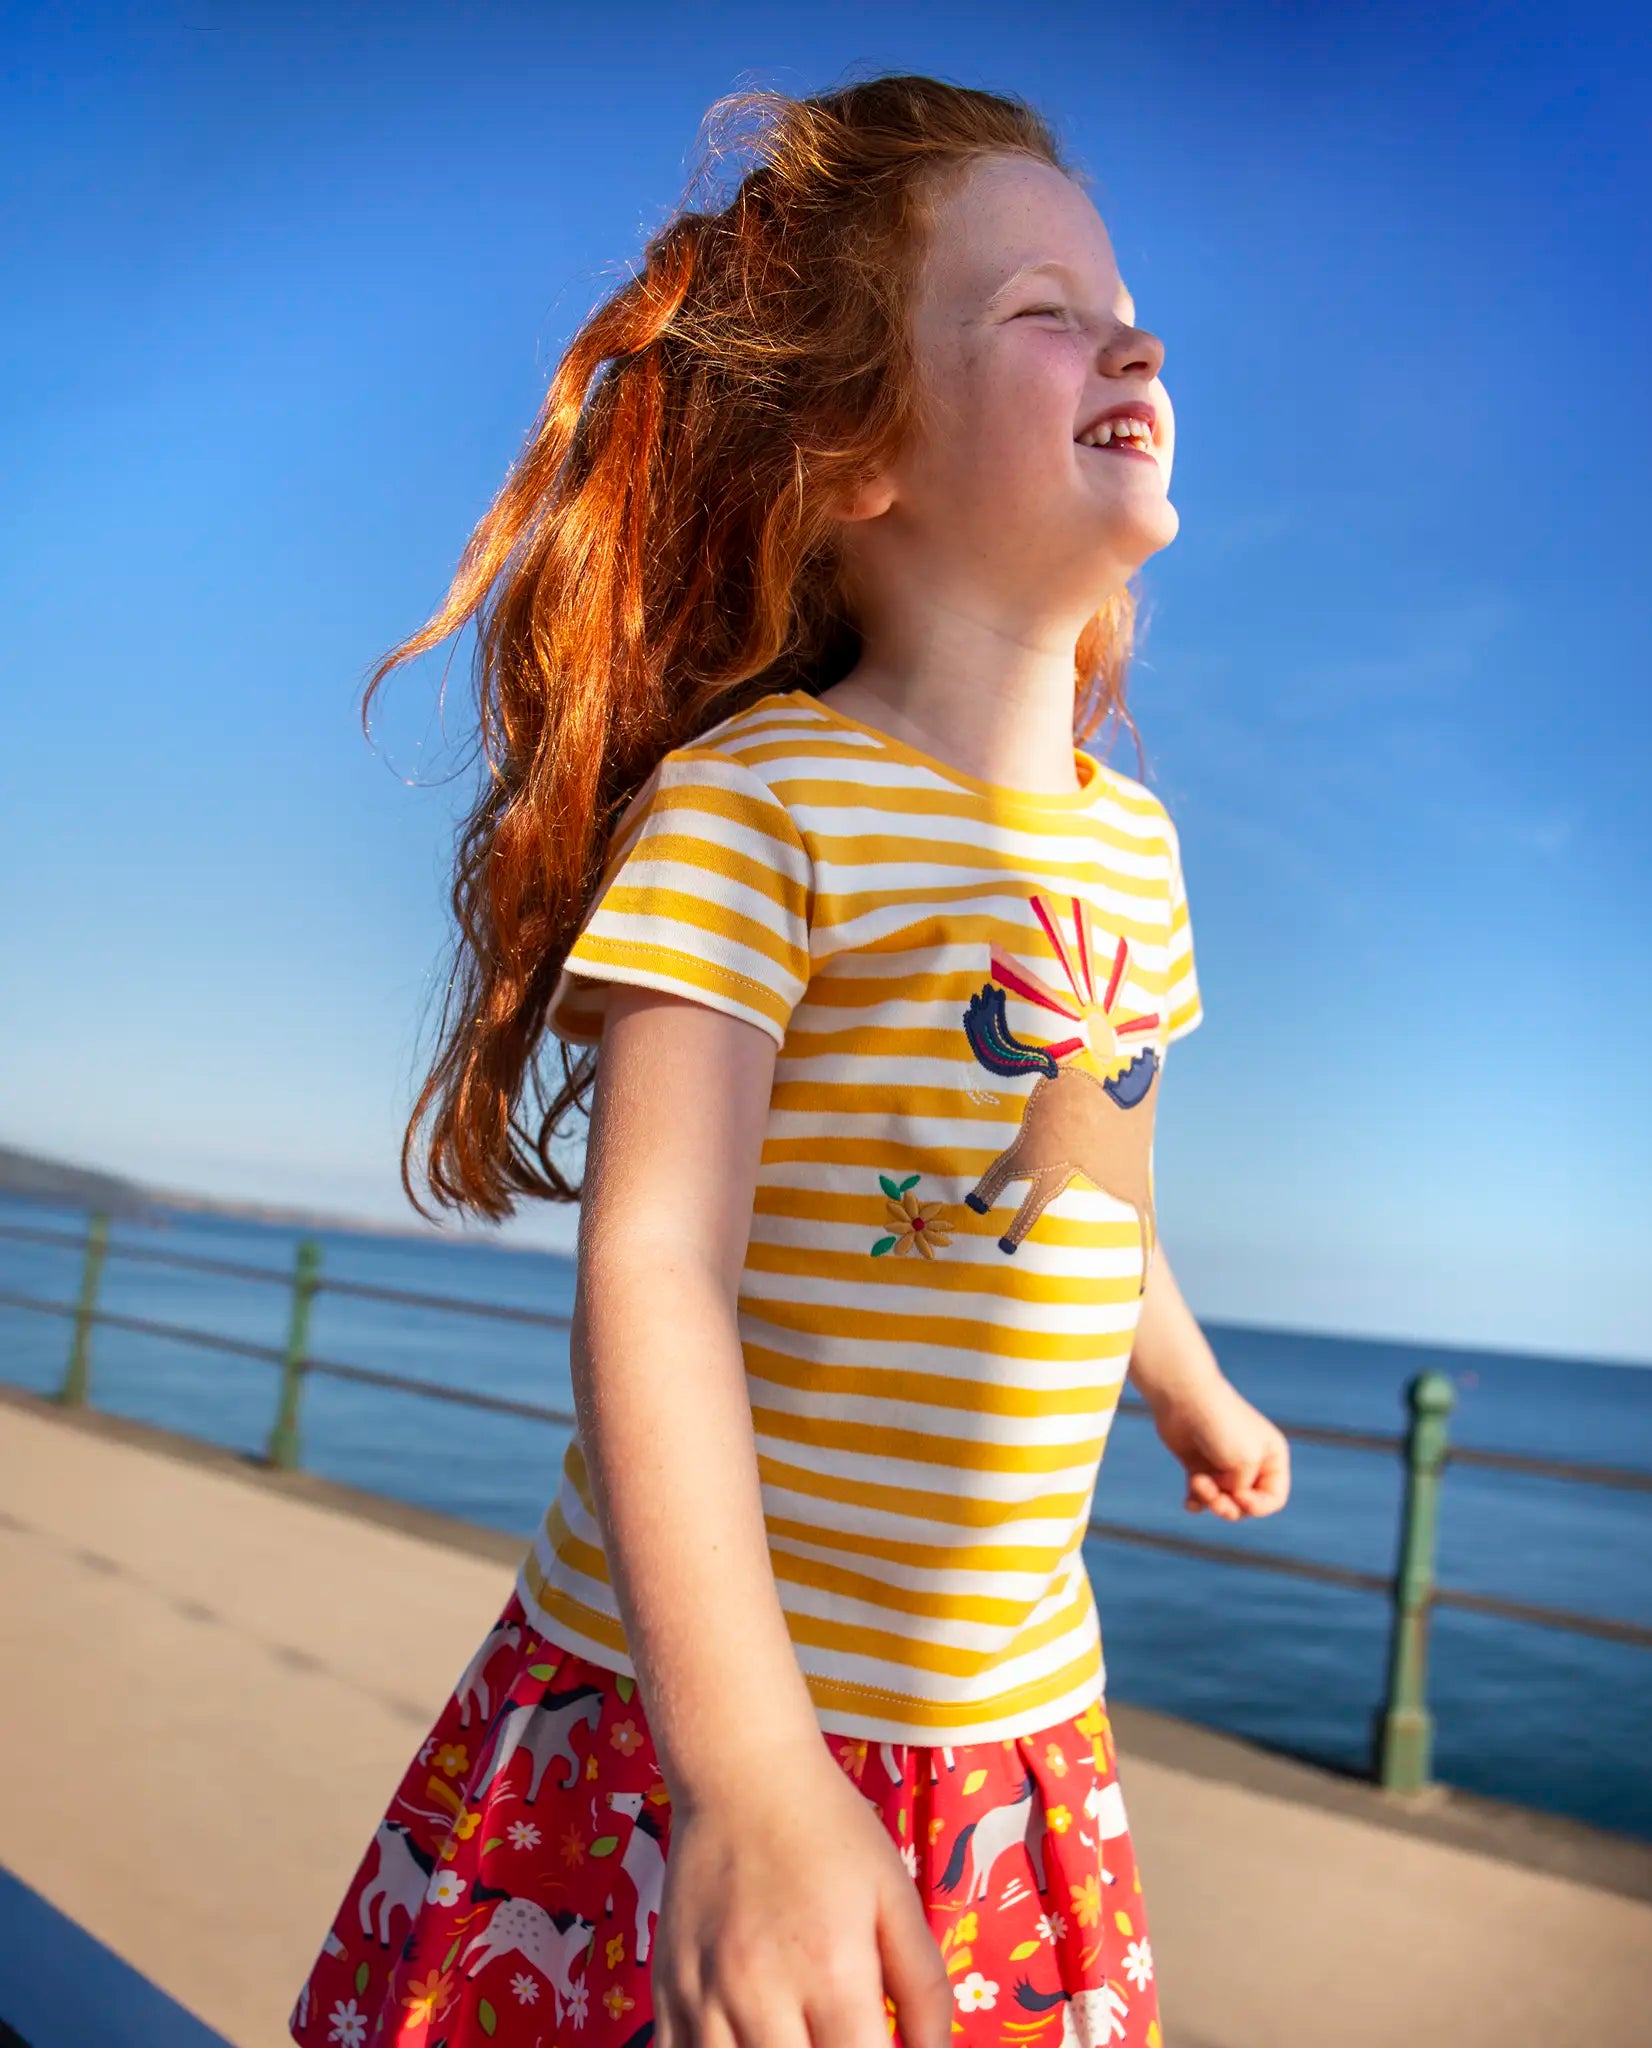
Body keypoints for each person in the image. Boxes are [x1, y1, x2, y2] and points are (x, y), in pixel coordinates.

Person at [289, 73, 1291, 2048]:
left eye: (1126, 304)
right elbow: (653, 1259)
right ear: (854, 456)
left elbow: (1090, 1179)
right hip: (711, 1723)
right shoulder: (766, 807)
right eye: (1044, 310)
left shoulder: (1132, 853)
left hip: (1006, 1727)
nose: (1135, 339)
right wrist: (746, 1768)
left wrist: (1187, 1378)